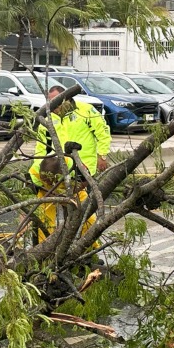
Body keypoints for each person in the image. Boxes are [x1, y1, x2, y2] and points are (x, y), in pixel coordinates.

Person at [30, 85, 111, 240]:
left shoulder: (85, 110)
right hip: (58, 170)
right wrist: (39, 169)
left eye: (56, 101)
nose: (53, 106)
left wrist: (103, 155)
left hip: (83, 167)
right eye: (49, 102)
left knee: (82, 210)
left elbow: (103, 132)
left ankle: (84, 244)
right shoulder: (48, 118)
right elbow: (41, 146)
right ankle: (50, 245)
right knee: (51, 209)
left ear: (65, 98)